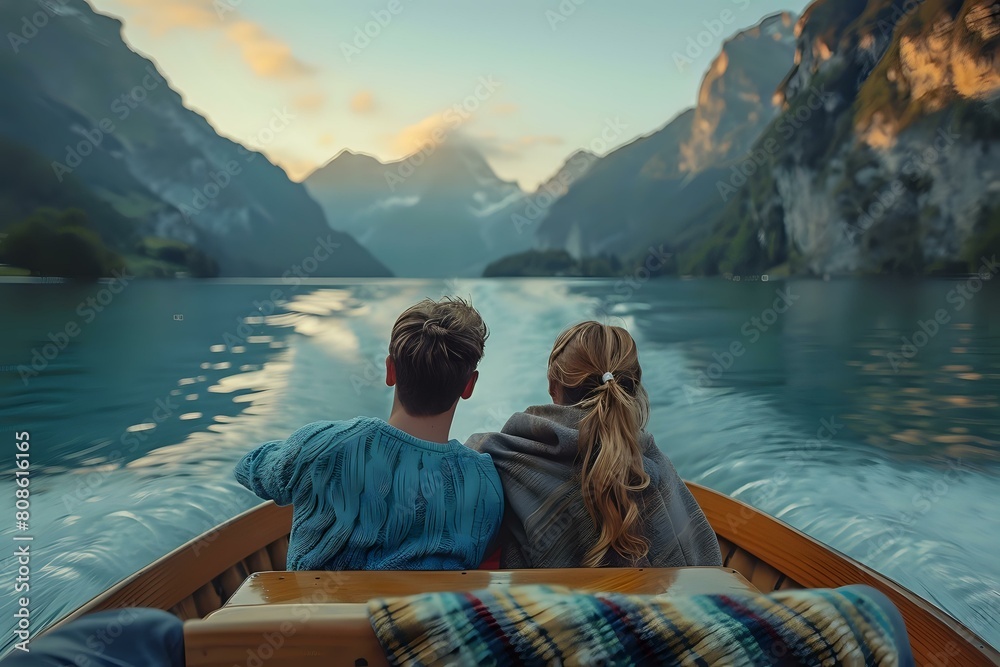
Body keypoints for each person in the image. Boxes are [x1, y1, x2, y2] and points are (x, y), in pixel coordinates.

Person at [235, 297, 503, 570]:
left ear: (390, 370)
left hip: (314, 611)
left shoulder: (322, 446)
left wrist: (304, 451)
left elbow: (249, 469)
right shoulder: (485, 483)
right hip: (420, 613)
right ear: (469, 385)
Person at [468, 321, 722, 568]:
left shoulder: (502, 456)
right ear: (632, 390)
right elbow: (701, 564)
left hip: (550, 609)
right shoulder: (653, 467)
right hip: (646, 607)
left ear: (552, 385)